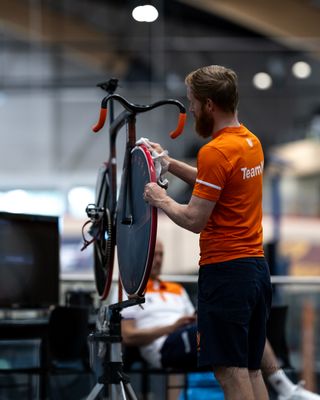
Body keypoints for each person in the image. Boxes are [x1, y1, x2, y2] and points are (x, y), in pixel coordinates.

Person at [141, 65, 275, 399]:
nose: (192, 110)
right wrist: (169, 163)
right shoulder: (249, 142)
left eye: (193, 103)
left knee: (229, 370)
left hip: (226, 271)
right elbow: (214, 182)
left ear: (210, 105)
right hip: (255, 270)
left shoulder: (214, 151)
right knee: (250, 368)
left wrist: (161, 199)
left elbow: (194, 219)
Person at [122, 240, 320, 400]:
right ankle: (284, 387)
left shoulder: (177, 289)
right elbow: (128, 336)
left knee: (247, 328)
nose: (157, 260)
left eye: (160, 255)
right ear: (142, 257)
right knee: (238, 340)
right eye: (153, 255)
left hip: (191, 336)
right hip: (165, 347)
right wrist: (171, 327)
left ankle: (283, 386)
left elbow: (195, 320)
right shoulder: (130, 290)